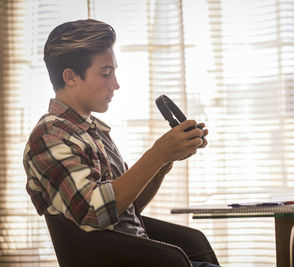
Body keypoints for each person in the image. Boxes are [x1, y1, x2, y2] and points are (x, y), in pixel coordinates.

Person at [23, 19, 219, 267]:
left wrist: (163, 163)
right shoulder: (50, 137)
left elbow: (127, 208)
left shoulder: (94, 132)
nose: (115, 84)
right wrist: (156, 155)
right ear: (70, 77)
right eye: (106, 73)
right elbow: (95, 212)